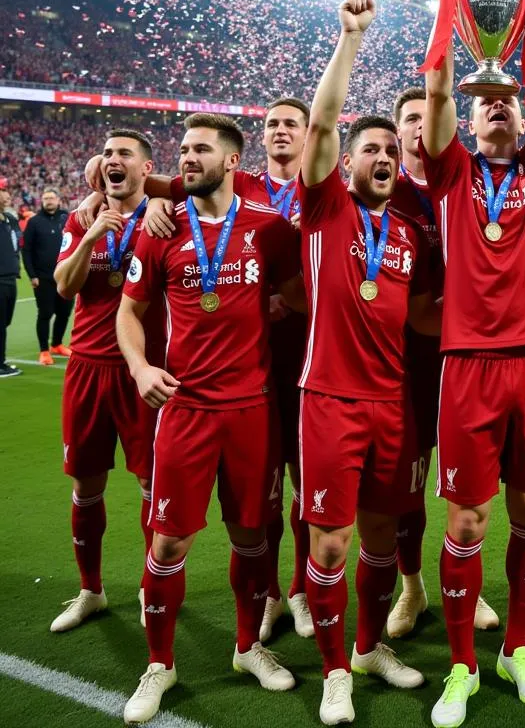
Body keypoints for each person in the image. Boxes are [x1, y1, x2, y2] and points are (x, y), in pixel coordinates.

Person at [88, 99, 316, 641]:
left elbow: (306, 292)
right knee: (207, 527)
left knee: (301, 488)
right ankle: (269, 603)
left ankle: (302, 591)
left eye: (292, 124)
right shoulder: (244, 192)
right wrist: (153, 196)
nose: (281, 131)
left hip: (294, 367)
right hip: (209, 387)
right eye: (273, 123)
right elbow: (163, 178)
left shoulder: (323, 186)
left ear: (311, 134)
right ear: (256, 142)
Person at [421, 0, 525, 728]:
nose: (501, 111)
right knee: (467, 523)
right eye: (491, 106)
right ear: (474, 121)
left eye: (512, 102)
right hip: (469, 366)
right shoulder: (449, 174)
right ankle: (460, 666)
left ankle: (517, 649)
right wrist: (449, 5)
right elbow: (441, 88)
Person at [298, 0, 442, 725]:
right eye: (372, 150)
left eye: (392, 151)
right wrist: (350, 39)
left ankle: (366, 648)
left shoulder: (411, 236)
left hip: (396, 403)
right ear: (345, 162)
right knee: (330, 541)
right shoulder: (325, 207)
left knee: (384, 535)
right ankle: (333, 674)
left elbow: (421, 314)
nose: (385, 158)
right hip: (329, 399)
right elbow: (322, 122)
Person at [385, 85, 500, 638]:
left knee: (470, 486)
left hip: (473, 355)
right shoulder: (380, 191)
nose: (418, 125)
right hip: (404, 359)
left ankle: (468, 587)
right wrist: (160, 193)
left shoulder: (474, 181)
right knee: (408, 482)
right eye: (409, 118)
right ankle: (412, 588)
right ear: (398, 131)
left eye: (428, 116)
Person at [49, 131, 163, 633]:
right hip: (87, 368)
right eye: (108, 154)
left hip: (142, 370)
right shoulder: (81, 217)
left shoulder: (164, 215)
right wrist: (93, 234)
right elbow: (63, 285)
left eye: (125, 156)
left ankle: (148, 587)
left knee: (149, 484)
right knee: (85, 483)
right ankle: (90, 590)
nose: (115, 162)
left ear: (145, 167)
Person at [23, 187, 72, 366]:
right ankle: (44, 350)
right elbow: (26, 250)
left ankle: (57, 344)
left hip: (66, 276)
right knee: (45, 313)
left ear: (58, 200)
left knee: (64, 313)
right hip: (43, 278)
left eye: (51, 198)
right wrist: (31, 275)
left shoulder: (66, 217)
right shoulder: (34, 222)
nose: (48, 201)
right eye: (45, 198)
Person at [0, 177, 21, 378]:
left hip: (10, 278)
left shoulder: (10, 219)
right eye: (3, 191)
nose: (7, 195)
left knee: (5, 322)